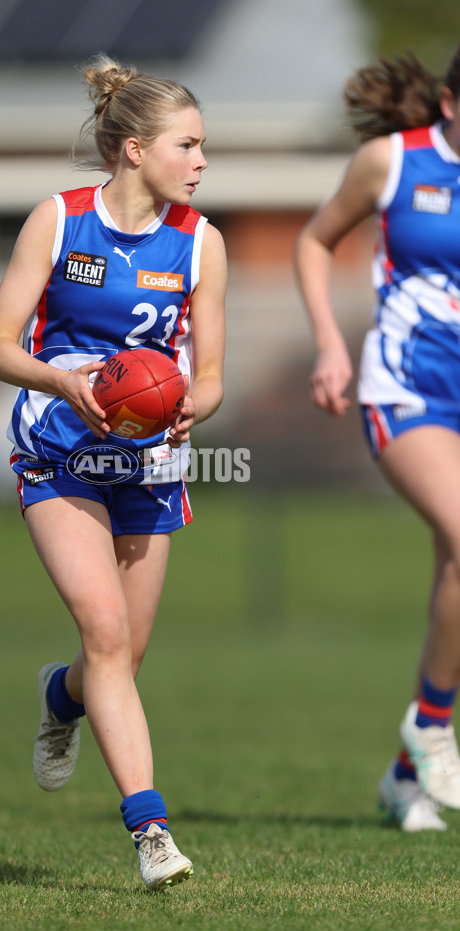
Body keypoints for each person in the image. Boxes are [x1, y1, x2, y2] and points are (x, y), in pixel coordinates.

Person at [0, 53, 226, 889]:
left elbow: (214, 371)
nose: (201, 162)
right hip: (58, 449)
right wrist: (61, 379)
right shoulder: (57, 220)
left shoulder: (203, 242)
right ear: (133, 150)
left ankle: (61, 699)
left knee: (122, 654)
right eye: (187, 145)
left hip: (149, 461)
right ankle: (151, 832)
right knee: (108, 634)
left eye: (203, 147)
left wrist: (198, 402)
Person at [294, 46, 460, 832]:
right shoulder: (392, 162)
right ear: (451, 104)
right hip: (403, 389)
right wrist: (330, 343)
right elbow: (313, 241)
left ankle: (404, 776)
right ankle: (431, 728)